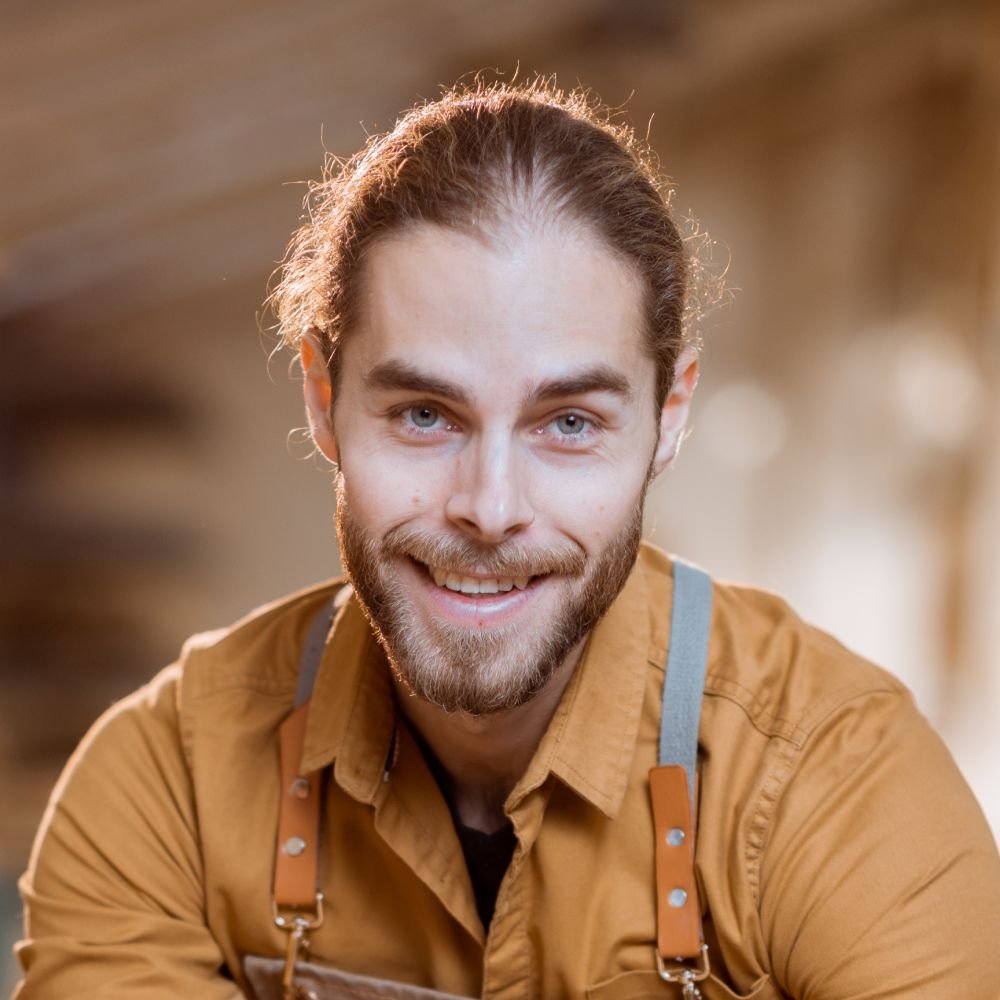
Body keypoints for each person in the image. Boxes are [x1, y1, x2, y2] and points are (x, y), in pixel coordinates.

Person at [13, 79, 1000, 1000]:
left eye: (567, 422)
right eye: (424, 415)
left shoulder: (836, 781)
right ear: (322, 396)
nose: (489, 508)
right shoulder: (167, 784)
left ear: (668, 416)